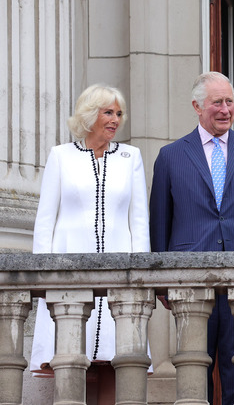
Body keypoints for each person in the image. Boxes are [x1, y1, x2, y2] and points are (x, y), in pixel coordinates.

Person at [149, 72, 234, 404]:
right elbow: (160, 224)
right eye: (217, 103)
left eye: (230, 102)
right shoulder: (171, 156)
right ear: (197, 106)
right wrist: (162, 282)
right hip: (191, 280)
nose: (225, 110)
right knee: (194, 370)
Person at [31, 84, 150, 404]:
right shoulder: (60, 156)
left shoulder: (131, 157)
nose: (115, 119)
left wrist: (143, 277)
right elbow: (45, 221)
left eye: (119, 113)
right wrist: (40, 276)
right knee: (70, 358)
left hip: (119, 274)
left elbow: (139, 222)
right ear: (89, 114)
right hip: (68, 272)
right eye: (108, 112)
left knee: (116, 359)